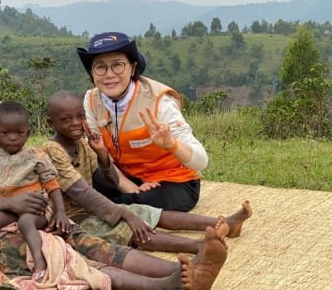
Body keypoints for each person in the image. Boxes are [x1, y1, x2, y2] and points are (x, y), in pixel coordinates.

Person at [0, 31, 228, 290]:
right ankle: (161, 288)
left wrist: (47, 201)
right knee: (57, 253)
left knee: (81, 237)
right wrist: (8, 203)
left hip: (23, 212)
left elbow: (30, 162)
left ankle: (186, 271)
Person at [42, 90, 252, 261]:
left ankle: (225, 223)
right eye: (66, 119)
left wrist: (102, 154)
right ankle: (199, 246)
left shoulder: (81, 144)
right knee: (132, 230)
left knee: (149, 212)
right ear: (52, 123)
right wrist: (125, 215)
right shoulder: (53, 150)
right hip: (73, 217)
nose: (76, 123)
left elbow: (108, 181)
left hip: (91, 209)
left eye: (80, 116)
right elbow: (82, 193)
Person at [77, 31, 208, 211]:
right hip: (123, 178)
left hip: (171, 182)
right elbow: (94, 155)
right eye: (100, 67)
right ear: (92, 72)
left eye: (118, 65)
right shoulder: (92, 99)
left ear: (133, 67)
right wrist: (131, 188)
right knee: (76, 185)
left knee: (100, 204)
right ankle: (117, 203)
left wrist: (171, 143)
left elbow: (201, 161)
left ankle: (108, 207)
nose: (109, 74)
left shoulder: (159, 102)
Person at [0, 101, 70, 284]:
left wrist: (60, 211)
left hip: (36, 209)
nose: (13, 138)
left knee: (26, 221)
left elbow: (52, 184)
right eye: (5, 133)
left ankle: (39, 265)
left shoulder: (35, 156)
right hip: (7, 209)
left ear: (28, 133)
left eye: (19, 133)